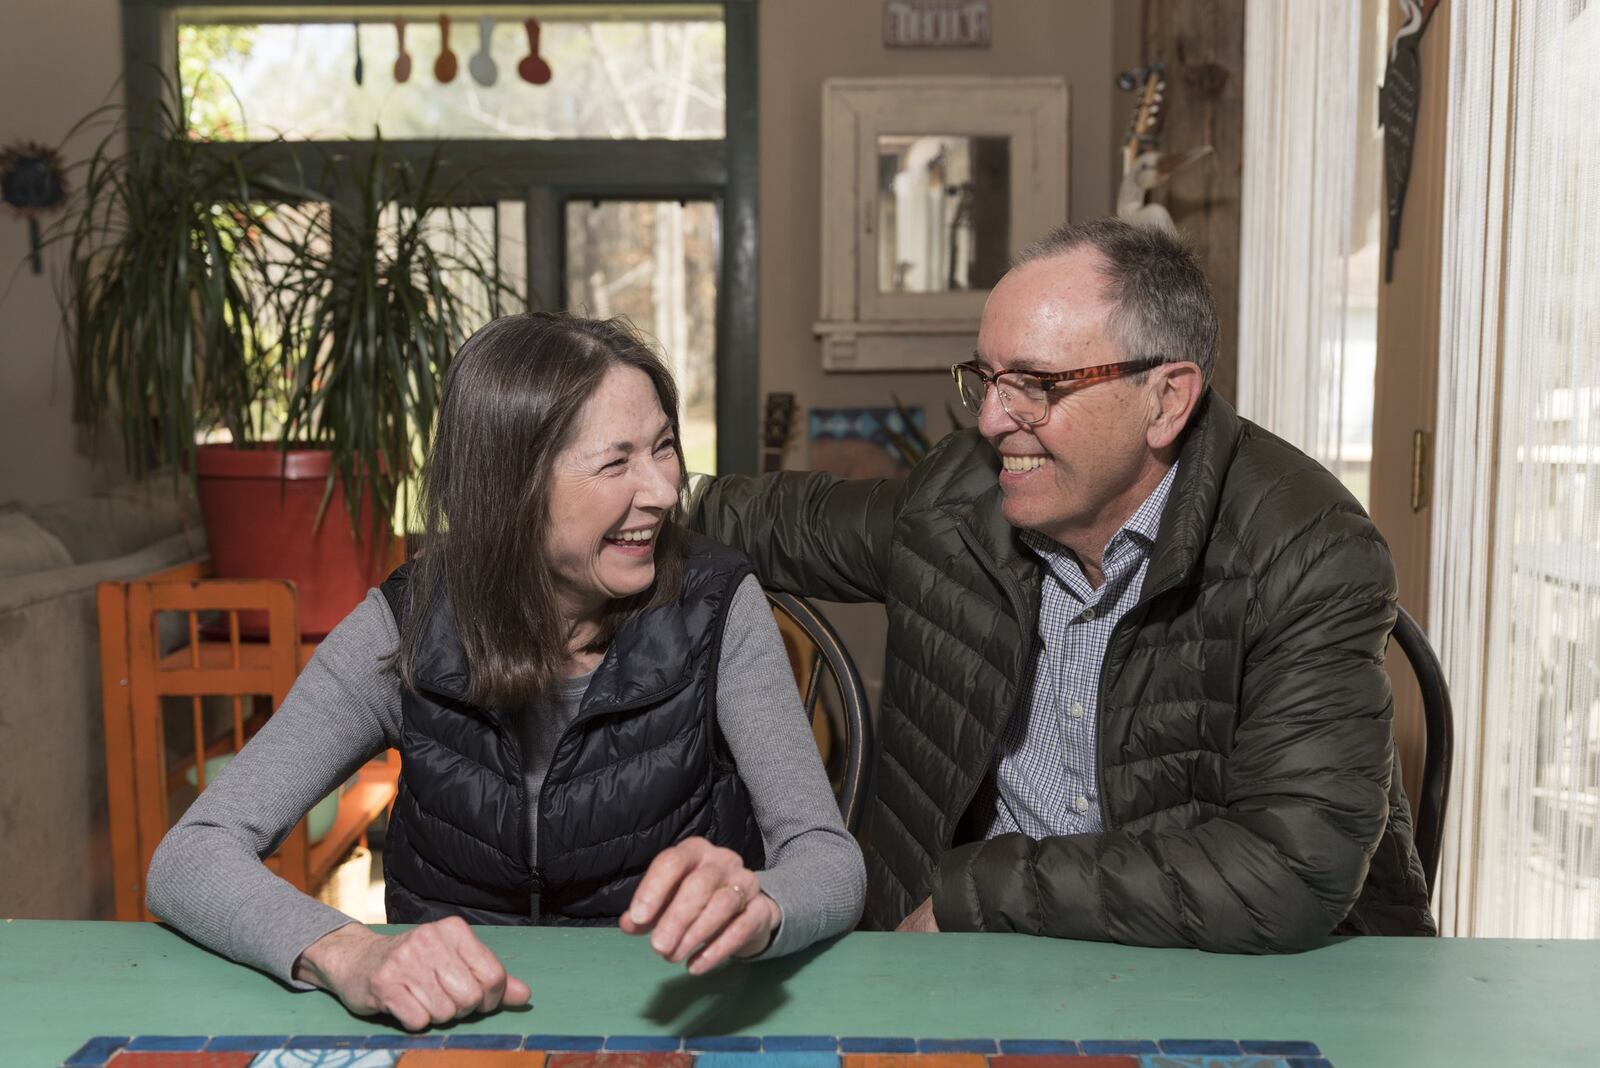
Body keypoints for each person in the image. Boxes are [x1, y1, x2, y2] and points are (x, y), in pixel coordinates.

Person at [688, 217, 1434, 951]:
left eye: (1036, 384)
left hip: (1207, 972)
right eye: (985, 378)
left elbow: (1290, 870)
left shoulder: (1307, 550)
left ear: (1166, 399)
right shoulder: (958, 497)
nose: (988, 420)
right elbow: (781, 521)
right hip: (963, 966)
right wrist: (626, 484)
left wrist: (983, 893)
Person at [147, 312, 865, 1031]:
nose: (661, 491)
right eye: (616, 462)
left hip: (671, 1017)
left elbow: (827, 860)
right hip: (457, 1027)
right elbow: (191, 855)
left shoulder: (718, 605)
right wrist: (350, 954)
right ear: (509, 487)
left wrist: (764, 904)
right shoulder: (405, 623)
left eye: (664, 448)